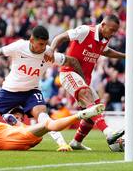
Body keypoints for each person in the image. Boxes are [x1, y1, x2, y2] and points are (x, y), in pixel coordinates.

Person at [44, 14, 126, 150]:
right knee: (87, 97)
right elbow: (61, 37)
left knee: (96, 108)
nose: (113, 34)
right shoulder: (85, 31)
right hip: (69, 73)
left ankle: (76, 142)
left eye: (115, 31)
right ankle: (108, 133)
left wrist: (125, 55)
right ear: (103, 25)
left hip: (84, 79)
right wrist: (52, 49)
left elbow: (106, 52)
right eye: (111, 30)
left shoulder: (105, 39)